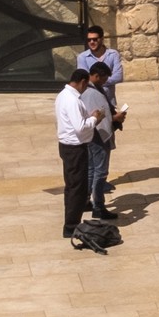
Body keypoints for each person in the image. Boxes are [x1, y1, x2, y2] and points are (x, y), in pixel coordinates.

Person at [55, 64, 100, 238]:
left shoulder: (62, 95)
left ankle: (71, 221)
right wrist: (95, 119)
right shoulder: (72, 100)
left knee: (72, 186)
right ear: (82, 82)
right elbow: (80, 128)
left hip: (68, 146)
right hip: (74, 149)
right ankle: (71, 225)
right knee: (77, 188)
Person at [81, 64, 120, 220]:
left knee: (91, 169)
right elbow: (96, 115)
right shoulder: (91, 93)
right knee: (100, 171)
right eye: (104, 78)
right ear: (96, 76)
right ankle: (98, 205)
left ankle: (85, 200)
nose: (105, 82)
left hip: (92, 136)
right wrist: (114, 118)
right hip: (98, 136)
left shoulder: (92, 89)